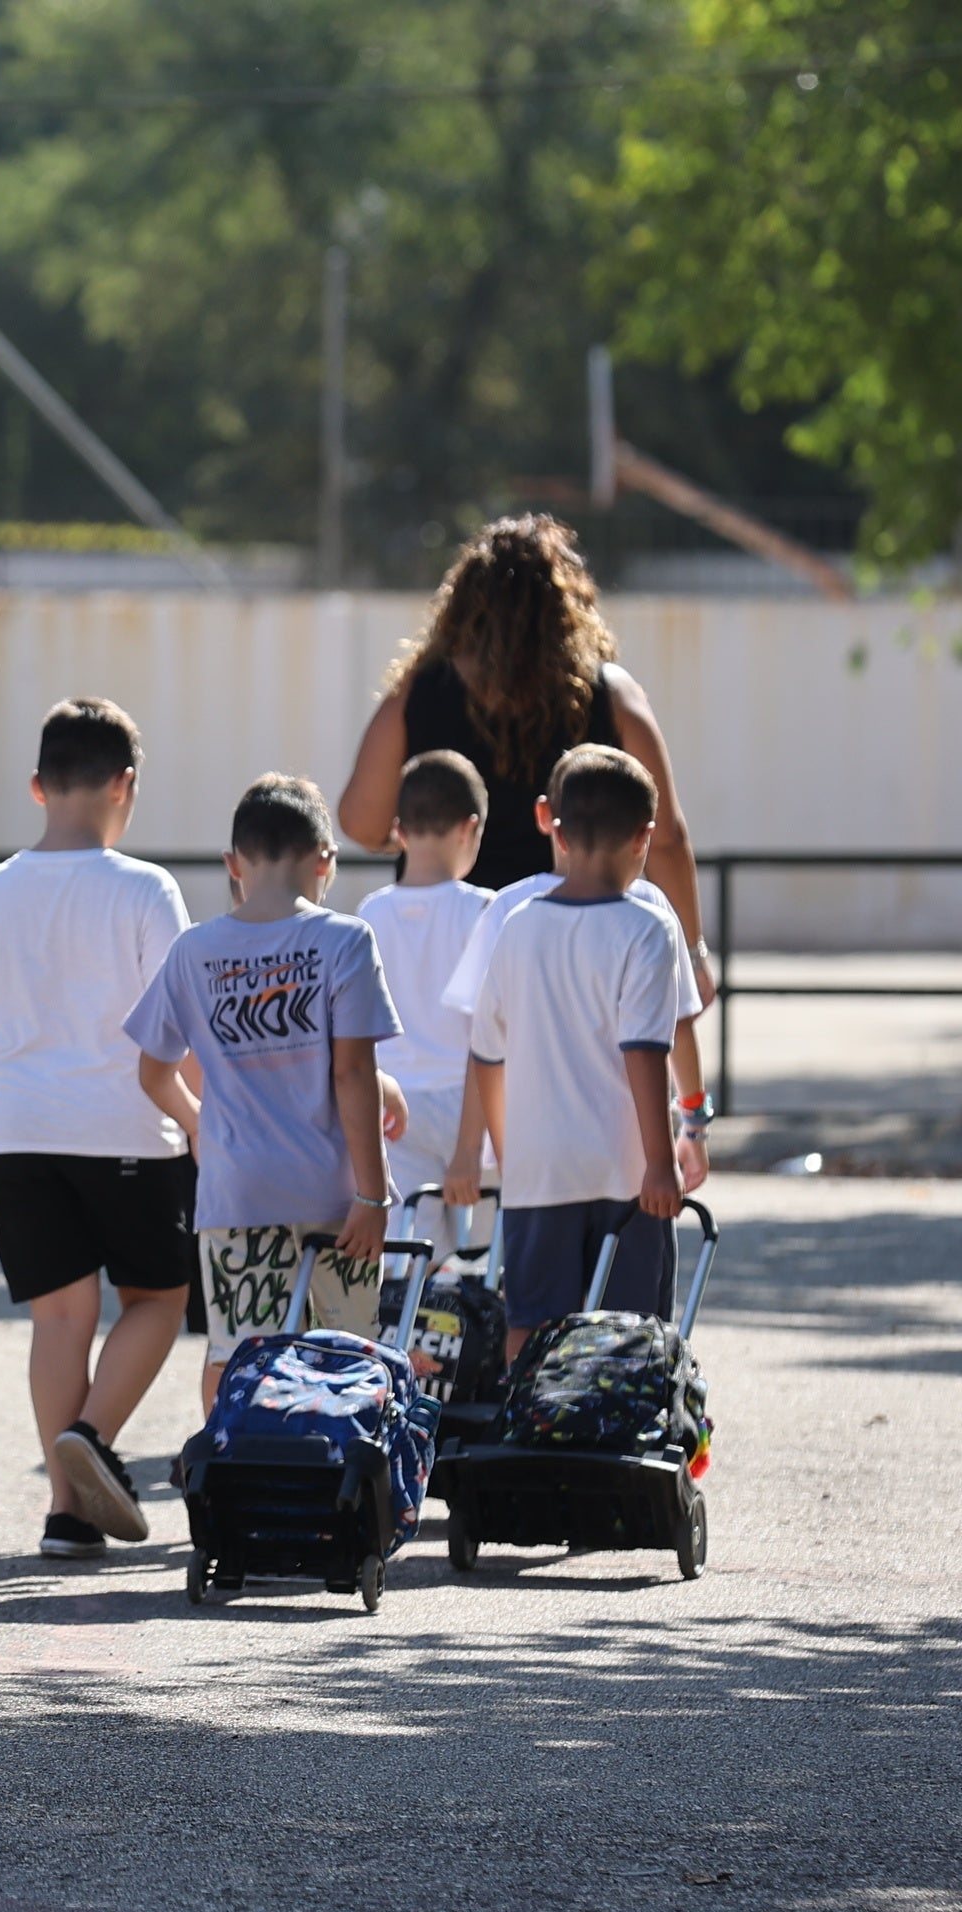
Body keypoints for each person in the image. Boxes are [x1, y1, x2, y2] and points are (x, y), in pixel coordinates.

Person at [0, 697, 196, 1558]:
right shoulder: (145, 888)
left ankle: (67, 1512)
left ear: (37, 786)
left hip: (17, 1129)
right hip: (125, 1126)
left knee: (59, 1318)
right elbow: (177, 1023)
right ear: (125, 785)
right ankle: (92, 1434)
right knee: (159, 1297)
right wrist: (203, 1120)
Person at [336, 514, 714, 1001]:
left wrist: (429, 840)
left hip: (456, 952)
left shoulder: (421, 690)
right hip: (577, 943)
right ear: (567, 604)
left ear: (464, 603)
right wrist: (693, 954)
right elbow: (665, 838)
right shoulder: (610, 694)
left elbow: (362, 822)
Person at [124, 776, 403, 1409]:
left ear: (233, 864)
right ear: (325, 861)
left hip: (236, 1195)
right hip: (335, 1197)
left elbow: (153, 1072)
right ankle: (336, 1471)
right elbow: (351, 1074)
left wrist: (200, 1126)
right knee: (347, 1359)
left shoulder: (193, 951)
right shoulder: (345, 940)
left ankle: (227, 1465)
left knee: (236, 1355)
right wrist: (373, 1193)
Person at [452, 746, 694, 1356]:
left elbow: (486, 1054)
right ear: (644, 837)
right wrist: (660, 1162)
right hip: (623, 1169)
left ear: (555, 829)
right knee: (631, 1329)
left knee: (530, 1322)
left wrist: (509, 1152)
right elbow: (645, 1052)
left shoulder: (518, 924)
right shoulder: (648, 928)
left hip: (538, 1169)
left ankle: (527, 1412)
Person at [358, 752, 496, 1209]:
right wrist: (469, 1146)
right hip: (472, 1106)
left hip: (393, 1106)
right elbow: (490, 1032)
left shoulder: (369, 914)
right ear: (469, 828)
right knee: (482, 1247)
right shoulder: (485, 911)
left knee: (409, 1247)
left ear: (399, 831)